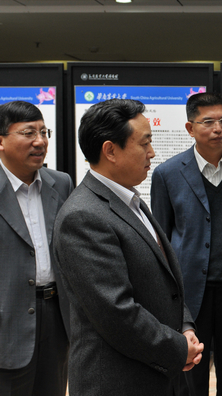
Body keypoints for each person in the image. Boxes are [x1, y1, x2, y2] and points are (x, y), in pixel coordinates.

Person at [53, 99, 203, 396]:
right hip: (119, 381)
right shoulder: (83, 216)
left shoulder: (130, 200)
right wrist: (177, 348)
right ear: (110, 150)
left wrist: (185, 326)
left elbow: (164, 281)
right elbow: (116, 313)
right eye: (144, 143)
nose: (152, 152)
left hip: (159, 372)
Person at [151, 93, 222, 396]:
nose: (218, 129)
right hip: (190, 292)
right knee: (191, 372)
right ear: (190, 128)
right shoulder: (167, 173)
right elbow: (162, 235)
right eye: (209, 122)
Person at [0, 101, 73, 396]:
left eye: (44, 132)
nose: (40, 141)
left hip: (55, 316)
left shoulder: (61, 183)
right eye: (29, 133)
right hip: (6, 319)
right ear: (1, 140)